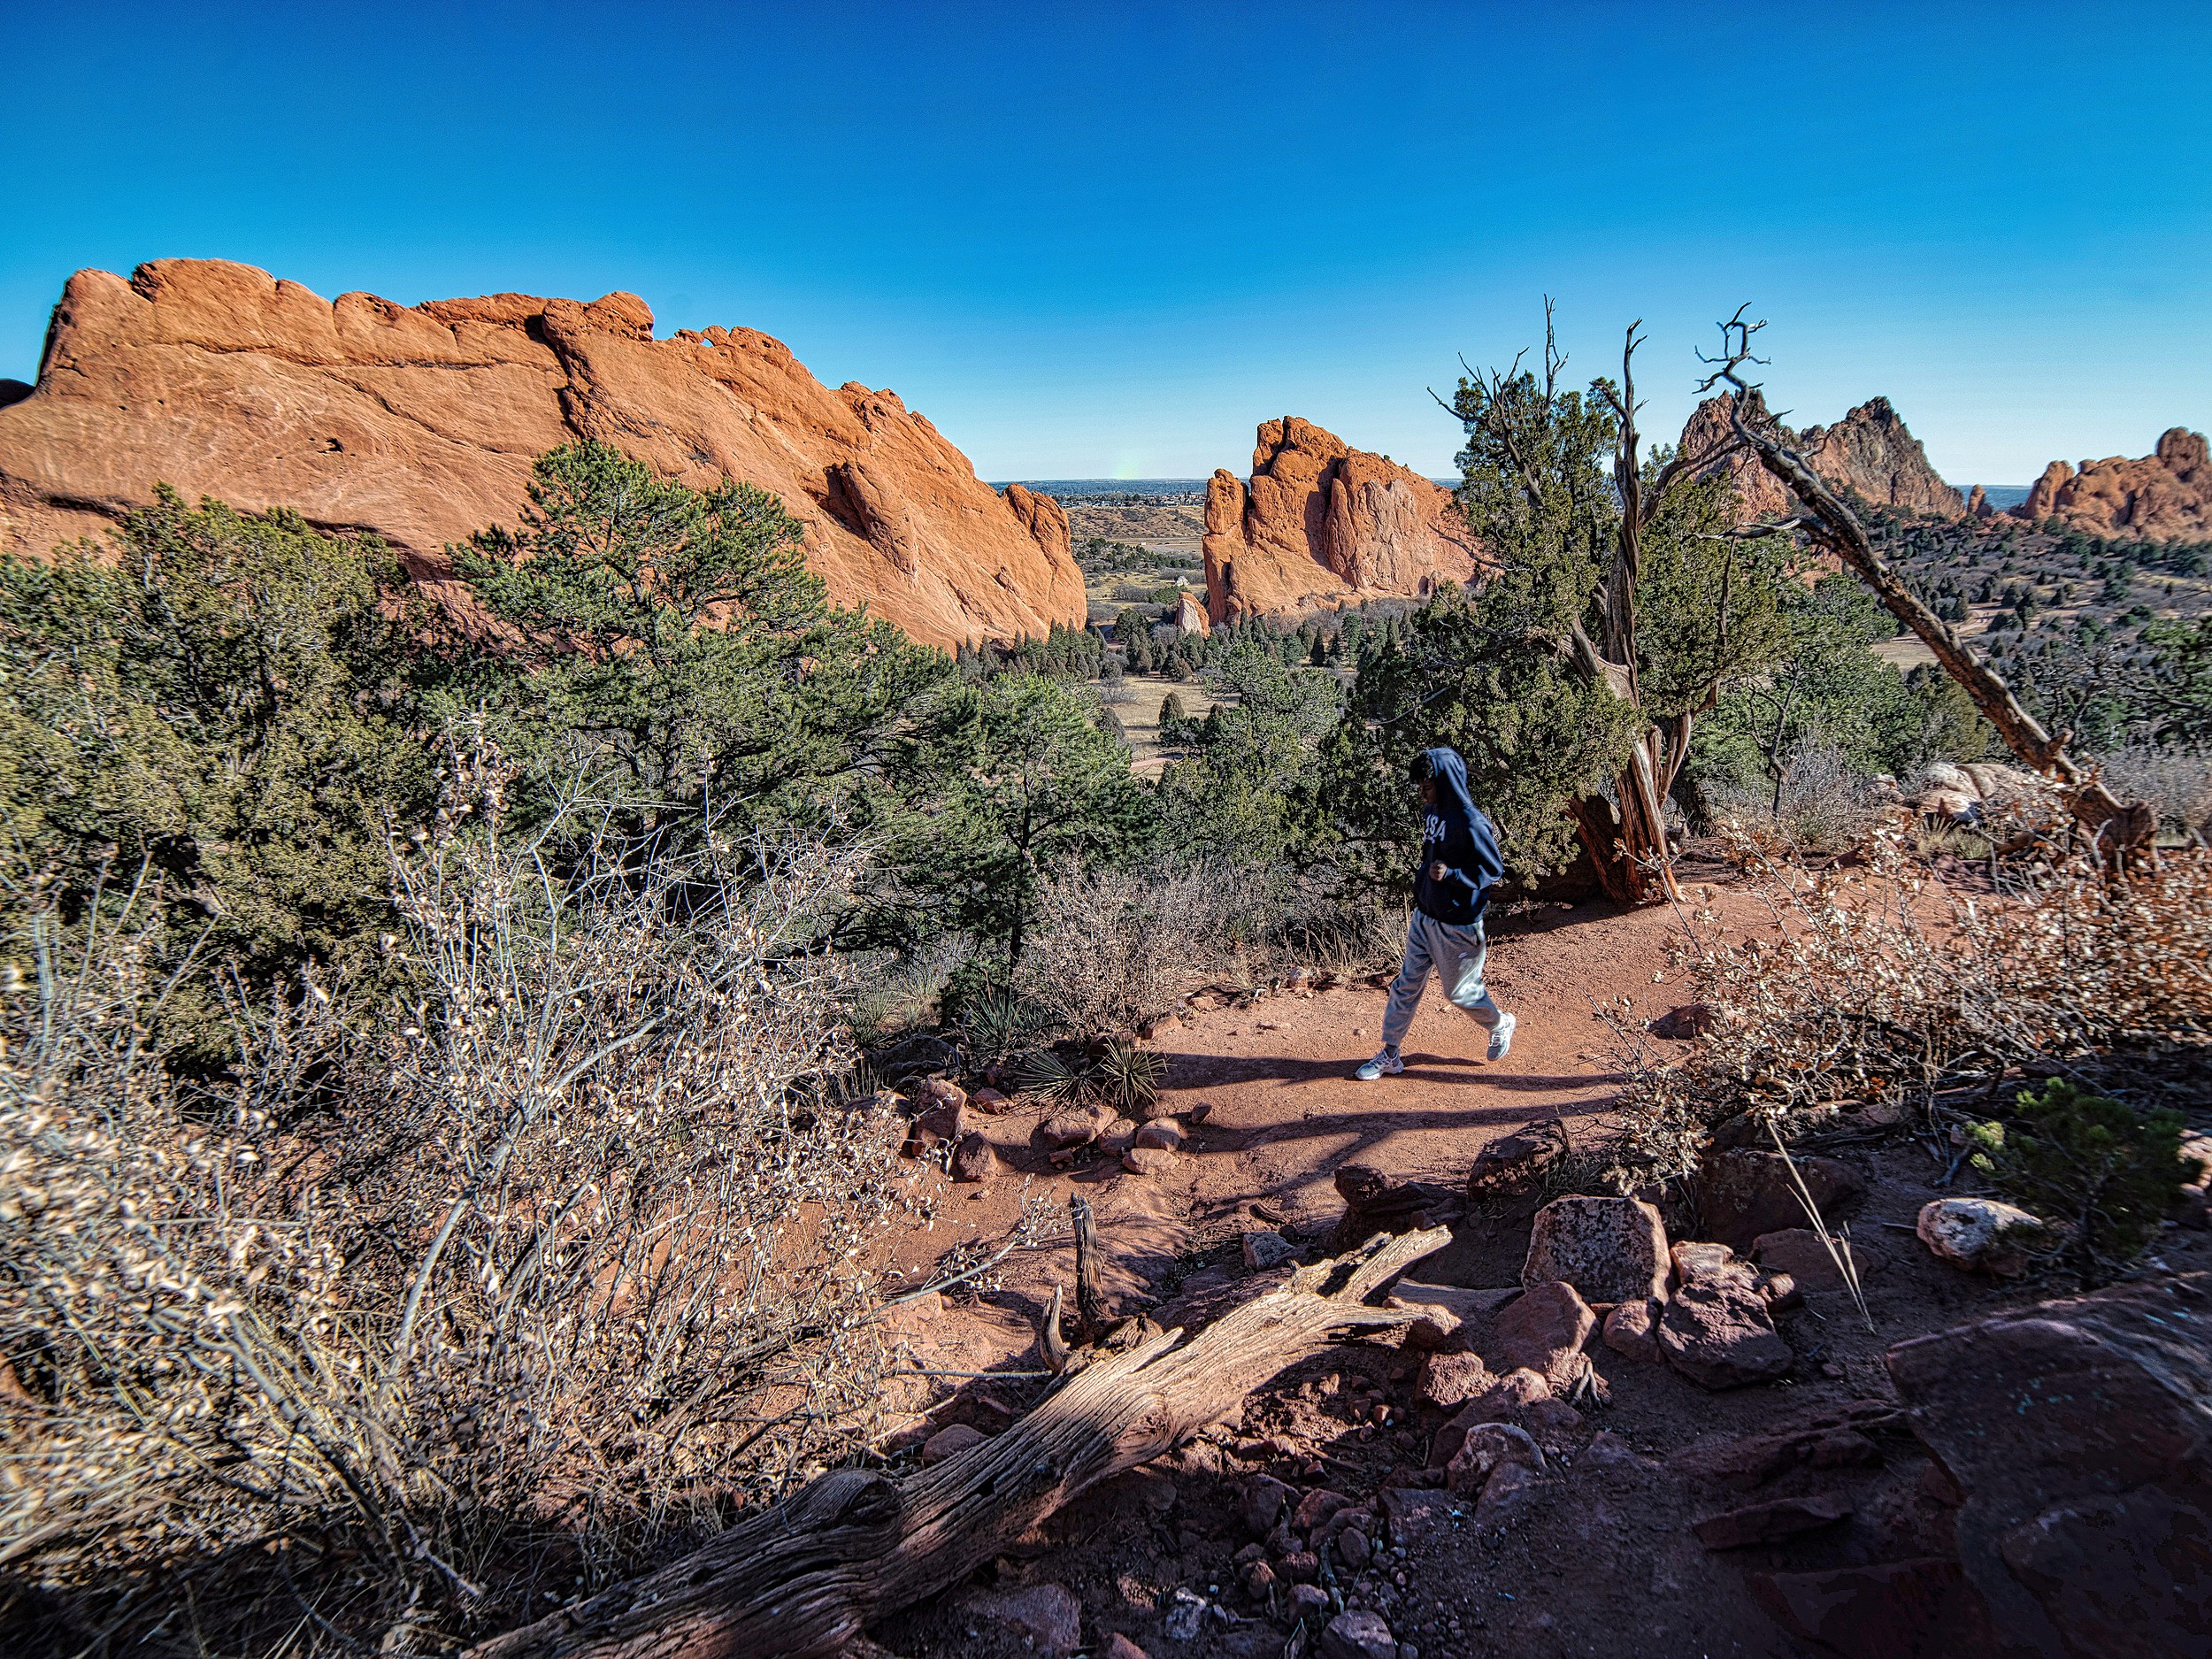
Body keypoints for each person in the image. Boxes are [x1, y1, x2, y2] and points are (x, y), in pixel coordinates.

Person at [1355, 746, 1515, 1079]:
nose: (1422, 791)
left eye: (1427, 784)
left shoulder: (1473, 824)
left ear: (1447, 782)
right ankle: (1390, 1054)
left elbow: (1494, 869)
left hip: (1458, 927)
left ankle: (1500, 1022)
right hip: (1425, 916)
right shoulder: (1433, 813)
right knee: (1405, 985)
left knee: (1458, 993)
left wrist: (1453, 875)